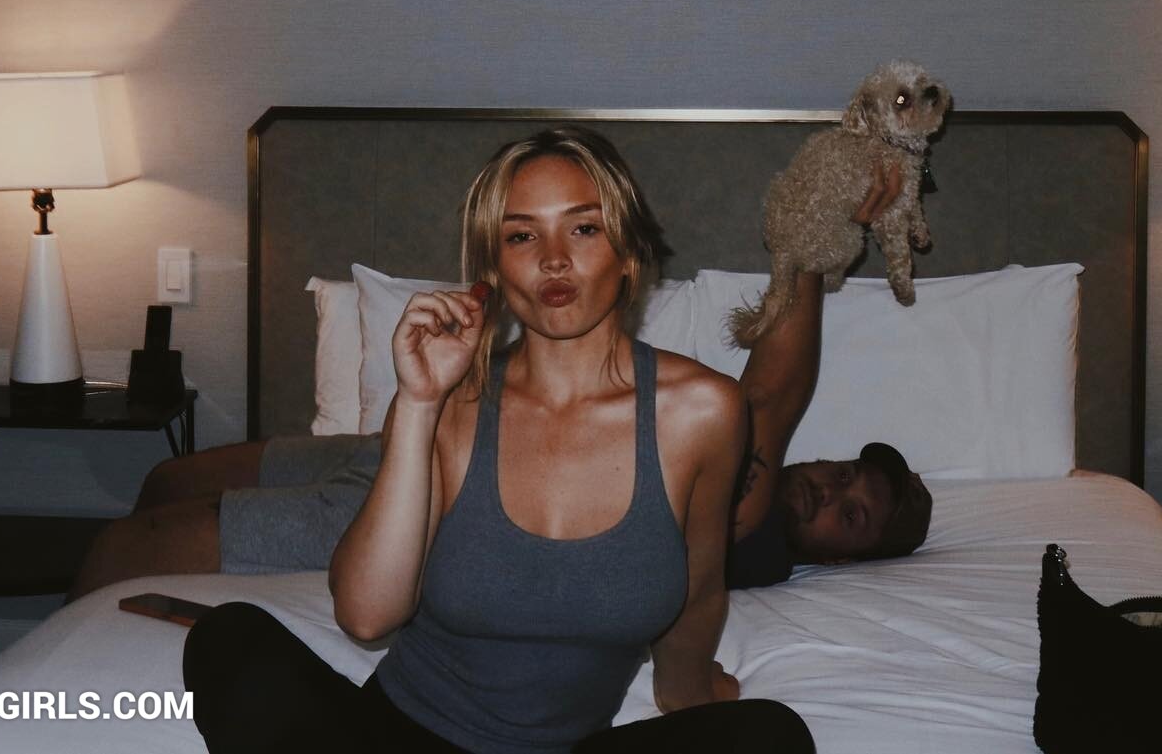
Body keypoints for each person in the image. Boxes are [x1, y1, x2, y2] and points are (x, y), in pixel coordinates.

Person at [180, 127, 816, 752]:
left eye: (584, 228)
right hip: (396, 735)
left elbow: (698, 590)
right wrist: (419, 403)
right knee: (229, 639)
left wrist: (689, 696)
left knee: (771, 735)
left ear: (628, 252)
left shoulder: (702, 411)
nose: (553, 258)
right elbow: (366, 616)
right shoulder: (452, 404)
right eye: (521, 235)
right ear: (494, 269)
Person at [70, 147, 931, 601]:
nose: (830, 491)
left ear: (841, 556)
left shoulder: (748, 522)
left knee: (122, 547)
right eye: (844, 473)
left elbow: (775, 388)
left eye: (852, 514)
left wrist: (813, 239)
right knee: (167, 478)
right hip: (404, 441)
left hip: (432, 499)